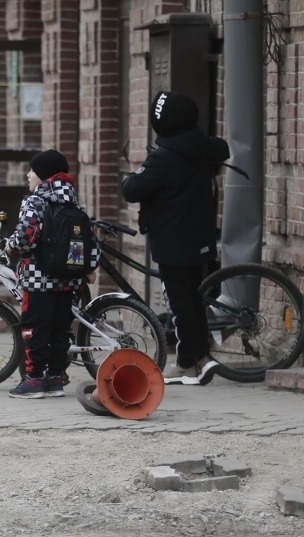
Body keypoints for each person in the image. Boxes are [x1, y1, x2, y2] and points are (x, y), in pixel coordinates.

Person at [122, 91, 230, 386]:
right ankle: (201, 358)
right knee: (193, 300)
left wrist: (129, 177)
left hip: (172, 242)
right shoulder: (201, 149)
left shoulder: (162, 158)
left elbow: (132, 190)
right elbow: (220, 148)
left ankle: (186, 363)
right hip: (200, 238)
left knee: (180, 304)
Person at [4, 149, 98, 399]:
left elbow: (27, 237)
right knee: (59, 330)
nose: (28, 175)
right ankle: (55, 379)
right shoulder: (75, 203)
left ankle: (33, 380)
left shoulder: (35, 201)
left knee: (33, 329)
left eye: (32, 170)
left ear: (44, 176)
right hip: (68, 280)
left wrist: (11, 245)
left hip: (38, 279)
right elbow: (89, 239)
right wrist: (88, 268)